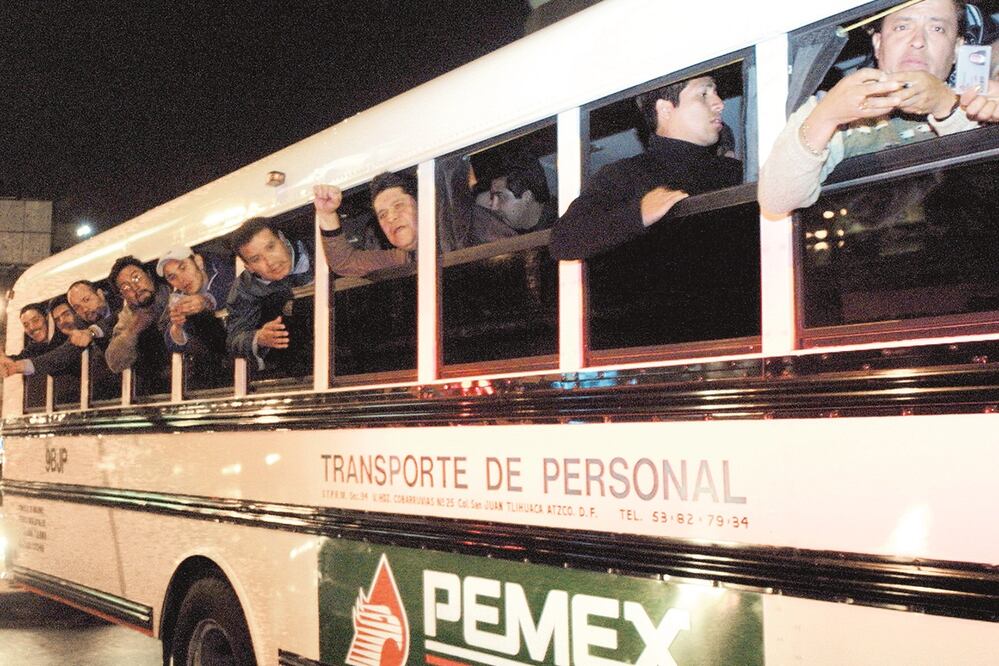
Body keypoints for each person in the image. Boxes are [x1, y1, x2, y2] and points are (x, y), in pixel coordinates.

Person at [758, 0, 998, 216]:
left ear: (957, 49)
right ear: (878, 42)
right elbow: (777, 200)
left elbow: (985, 189)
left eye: (937, 29)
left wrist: (945, 105)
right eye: (902, 27)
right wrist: (826, 116)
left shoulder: (982, 101)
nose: (918, 41)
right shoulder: (837, 108)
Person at [549, 75, 741, 259]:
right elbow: (563, 239)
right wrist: (639, 213)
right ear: (665, 109)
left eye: (715, 92)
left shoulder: (737, 171)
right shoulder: (627, 175)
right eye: (703, 94)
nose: (719, 103)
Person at [225, 217, 315, 371]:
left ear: (282, 238)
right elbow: (234, 340)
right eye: (256, 259)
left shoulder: (318, 247)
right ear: (249, 267)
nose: (270, 262)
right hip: (299, 364)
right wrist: (258, 337)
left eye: (271, 247)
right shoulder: (244, 289)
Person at [314, 172, 417, 277]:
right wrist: (327, 214)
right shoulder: (403, 258)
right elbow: (345, 263)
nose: (390, 218)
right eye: (382, 215)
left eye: (398, 206)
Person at [105, 256, 171, 393]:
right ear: (123, 296)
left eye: (136, 278)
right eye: (126, 287)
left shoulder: (173, 291)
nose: (135, 287)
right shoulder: (128, 317)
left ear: (148, 275)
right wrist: (133, 331)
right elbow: (115, 362)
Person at [156, 246, 235, 355]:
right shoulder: (180, 299)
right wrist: (177, 327)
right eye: (172, 277)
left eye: (183, 268)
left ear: (198, 262)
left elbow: (230, 287)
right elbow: (172, 344)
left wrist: (205, 301)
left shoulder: (221, 268)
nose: (182, 279)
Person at [485, 152, 557, 234]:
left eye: (501, 197)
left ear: (527, 197)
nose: (494, 207)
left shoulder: (558, 231)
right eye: (492, 197)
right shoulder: (503, 232)